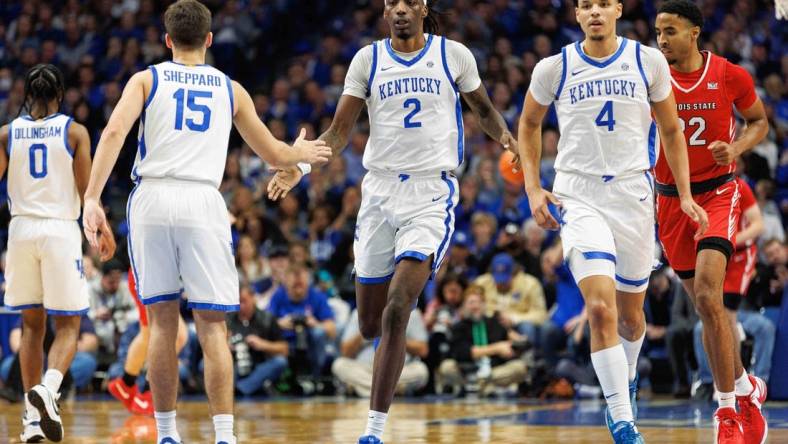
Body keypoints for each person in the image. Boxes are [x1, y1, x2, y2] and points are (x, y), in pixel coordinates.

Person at [80, 1, 331, 443]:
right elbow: (273, 154)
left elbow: (115, 133)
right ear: (210, 40)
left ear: (167, 39)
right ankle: (225, 436)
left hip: (152, 198)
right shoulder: (230, 89)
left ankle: (166, 434)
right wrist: (301, 157)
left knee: (160, 323)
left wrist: (93, 198)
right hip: (202, 199)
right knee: (213, 326)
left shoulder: (146, 79)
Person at [268, 1, 517, 442]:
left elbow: (482, 110)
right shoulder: (368, 59)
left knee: (399, 307)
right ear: (386, 12)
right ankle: (388, 352)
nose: (400, 10)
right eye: (391, 4)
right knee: (369, 324)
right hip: (379, 193)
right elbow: (340, 132)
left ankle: (374, 429)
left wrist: (509, 139)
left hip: (431, 192)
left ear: (423, 8)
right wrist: (301, 165)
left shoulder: (453, 55)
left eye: (408, 2)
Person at [518, 0, 708, 442]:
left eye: (603, 3)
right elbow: (528, 124)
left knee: (629, 319)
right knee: (599, 308)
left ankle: (626, 382)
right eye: (586, 5)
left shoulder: (648, 61)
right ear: (577, 15)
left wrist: (681, 194)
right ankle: (622, 420)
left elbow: (672, 129)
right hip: (578, 195)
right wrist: (532, 187)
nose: (595, 12)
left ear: (618, 9)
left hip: (633, 194)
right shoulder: (554, 67)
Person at [654, 2, 770, 442]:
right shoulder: (652, 75)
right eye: (658, 32)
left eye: (671, 31)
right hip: (670, 202)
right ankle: (745, 386)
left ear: (695, 32)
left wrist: (736, 147)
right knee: (709, 310)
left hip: (719, 194)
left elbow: (758, 122)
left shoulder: (729, 74)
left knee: (707, 295)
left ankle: (727, 412)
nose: (662, 40)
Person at [0, 63, 115, 443]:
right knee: (68, 325)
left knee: (32, 326)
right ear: (61, 95)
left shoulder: (6, 133)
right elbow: (88, 193)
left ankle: (33, 421)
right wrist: (102, 229)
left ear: (26, 96)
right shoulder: (75, 131)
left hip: (20, 231)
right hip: (59, 231)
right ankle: (48, 390)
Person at [107, 270, 189, 417]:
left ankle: (126, 384)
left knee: (149, 334)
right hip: (148, 273)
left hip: (149, 274)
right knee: (172, 335)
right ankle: (146, 392)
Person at [436, 285, 528, 396]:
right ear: (464, 306)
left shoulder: (494, 323)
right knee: (447, 366)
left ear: (484, 305)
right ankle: (482, 386)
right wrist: (497, 348)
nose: (475, 306)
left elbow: (520, 342)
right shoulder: (459, 327)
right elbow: (464, 353)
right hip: (467, 371)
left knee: (519, 367)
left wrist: (514, 337)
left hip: (492, 371)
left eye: (478, 302)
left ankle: (480, 385)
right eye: (471, 302)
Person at [332, 308, 429, 397]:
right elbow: (345, 351)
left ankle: (367, 391)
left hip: (397, 371)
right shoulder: (359, 312)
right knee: (339, 365)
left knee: (421, 370)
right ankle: (388, 392)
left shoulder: (412, 312)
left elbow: (423, 350)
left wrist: (394, 334)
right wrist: (366, 330)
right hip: (364, 368)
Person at [266, 263, 336, 378]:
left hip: (311, 344)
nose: (298, 288)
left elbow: (332, 329)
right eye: (294, 285)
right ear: (286, 282)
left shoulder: (317, 296)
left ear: (307, 281)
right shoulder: (278, 295)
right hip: (286, 343)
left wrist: (315, 324)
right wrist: (279, 323)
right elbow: (264, 324)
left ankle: (317, 377)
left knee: (318, 333)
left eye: (301, 284)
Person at [227, 285, 288, 396]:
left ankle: (240, 389)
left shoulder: (267, 318)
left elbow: (284, 349)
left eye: (244, 301)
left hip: (259, 364)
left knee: (280, 362)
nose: (241, 306)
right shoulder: (228, 319)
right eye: (238, 302)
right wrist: (226, 346)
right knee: (205, 364)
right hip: (235, 364)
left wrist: (263, 345)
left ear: (253, 298)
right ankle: (243, 387)